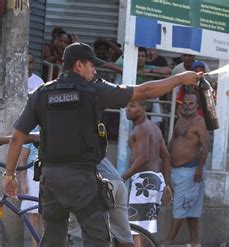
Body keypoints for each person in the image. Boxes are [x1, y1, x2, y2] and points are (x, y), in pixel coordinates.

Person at [2, 42, 200, 246]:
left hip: (50, 180)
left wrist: (9, 175)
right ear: (79, 65)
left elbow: (18, 137)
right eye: (91, 65)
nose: (94, 70)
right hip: (83, 180)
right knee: (98, 239)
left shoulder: (41, 93)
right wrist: (180, 79)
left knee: (53, 239)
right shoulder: (95, 91)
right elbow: (145, 91)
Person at [122, 100, 172, 245]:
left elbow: (143, 157)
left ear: (143, 108)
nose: (127, 109)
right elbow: (166, 157)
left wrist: (122, 177)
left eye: (132, 105)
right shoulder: (155, 128)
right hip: (155, 179)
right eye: (127, 105)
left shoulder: (142, 128)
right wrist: (166, 184)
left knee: (136, 229)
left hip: (144, 181)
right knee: (144, 229)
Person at [165, 93, 210, 247]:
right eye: (185, 103)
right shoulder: (180, 121)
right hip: (177, 171)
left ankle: (167, 243)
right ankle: (195, 242)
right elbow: (172, 142)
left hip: (191, 172)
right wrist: (166, 161)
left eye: (191, 103)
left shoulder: (200, 122)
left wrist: (199, 168)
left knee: (179, 209)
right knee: (190, 210)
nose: (188, 105)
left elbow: (206, 147)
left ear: (197, 106)